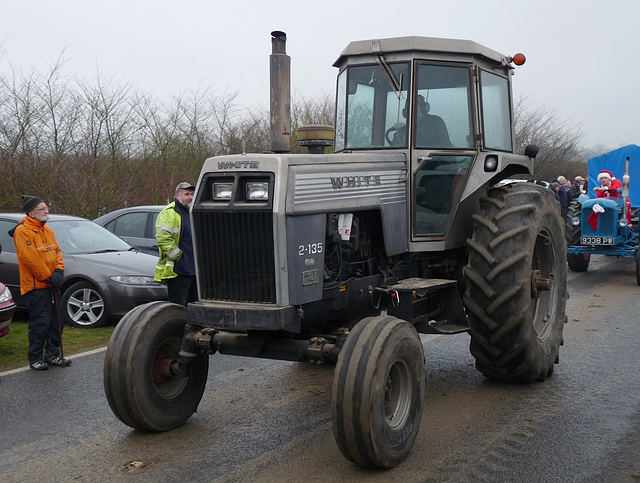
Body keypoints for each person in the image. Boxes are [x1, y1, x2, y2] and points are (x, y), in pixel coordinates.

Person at [11, 196, 70, 370]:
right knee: (40, 322)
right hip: (36, 287)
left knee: (57, 321)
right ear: (31, 213)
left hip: (52, 284)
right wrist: (48, 277)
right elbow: (30, 259)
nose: (46, 211)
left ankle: (53, 354)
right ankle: (35, 357)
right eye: (42, 209)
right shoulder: (22, 231)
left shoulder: (48, 230)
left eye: (46, 208)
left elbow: (57, 252)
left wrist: (59, 272)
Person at [155, 182, 197, 306]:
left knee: (194, 306)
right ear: (178, 196)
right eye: (186, 194)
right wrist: (178, 256)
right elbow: (163, 237)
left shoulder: (193, 212)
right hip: (179, 271)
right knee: (178, 307)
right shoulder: (169, 213)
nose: (190, 197)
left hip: (195, 271)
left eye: (192, 194)